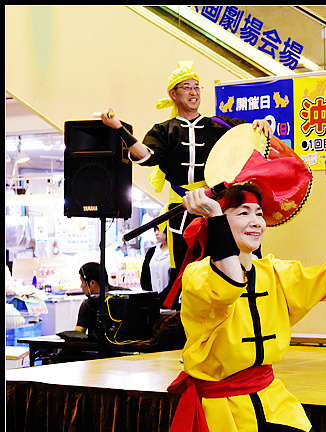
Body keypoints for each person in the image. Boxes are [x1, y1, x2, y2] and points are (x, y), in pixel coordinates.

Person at [161, 167, 326, 432]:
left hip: (272, 399)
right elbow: (228, 284)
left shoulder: (275, 272)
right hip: (222, 411)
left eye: (258, 213)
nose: (256, 221)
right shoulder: (197, 275)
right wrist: (215, 216)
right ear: (217, 220)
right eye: (242, 213)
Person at [100, 60, 273, 276]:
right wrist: (119, 128)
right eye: (187, 87)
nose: (194, 93)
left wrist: (260, 123)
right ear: (173, 94)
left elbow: (247, 134)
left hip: (215, 205)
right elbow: (145, 156)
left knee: (224, 261)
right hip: (181, 208)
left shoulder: (220, 124)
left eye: (196, 87)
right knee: (185, 270)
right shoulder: (164, 130)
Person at [140, 224, 173, 302]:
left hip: (169, 301)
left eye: (159, 230)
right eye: (155, 230)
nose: (156, 233)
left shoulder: (175, 253)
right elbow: (145, 276)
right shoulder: (152, 252)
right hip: (152, 300)